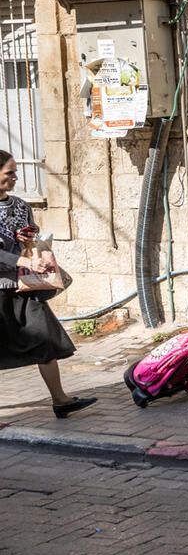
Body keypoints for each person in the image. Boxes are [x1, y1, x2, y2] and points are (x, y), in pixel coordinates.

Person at [0, 151, 98, 418]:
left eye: (15, 171)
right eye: (10, 172)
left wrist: (30, 243)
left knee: (44, 339)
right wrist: (24, 260)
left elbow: (32, 233)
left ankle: (60, 400)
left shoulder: (20, 206)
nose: (15, 177)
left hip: (25, 287)